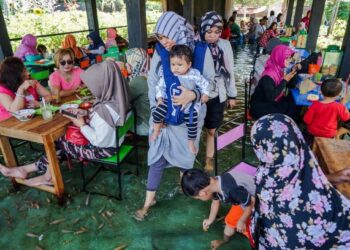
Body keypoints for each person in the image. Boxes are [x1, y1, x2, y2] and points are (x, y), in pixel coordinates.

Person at [134, 11, 215, 221]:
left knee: (185, 159)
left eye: (166, 36)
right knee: (156, 158)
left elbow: (211, 85)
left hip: (187, 118)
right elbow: (153, 84)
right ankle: (148, 200)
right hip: (163, 119)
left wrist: (193, 95)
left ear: (178, 31)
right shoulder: (160, 52)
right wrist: (157, 112)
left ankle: (183, 185)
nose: (164, 41)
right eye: (160, 37)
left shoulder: (200, 51)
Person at [0, 60, 130, 186]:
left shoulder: (105, 111)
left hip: (103, 150)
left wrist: (82, 125)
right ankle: (33, 172)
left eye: (93, 85)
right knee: (61, 142)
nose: (91, 88)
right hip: (115, 142)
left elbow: (99, 141)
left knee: (57, 142)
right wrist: (87, 113)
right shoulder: (117, 100)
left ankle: (43, 175)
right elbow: (105, 123)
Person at [251, 113, 350, 249]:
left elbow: (293, 186)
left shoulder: (265, 174)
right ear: (296, 138)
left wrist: (331, 178)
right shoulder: (322, 206)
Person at [150, 45, 210, 154]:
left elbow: (205, 83)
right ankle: (156, 129)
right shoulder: (169, 75)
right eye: (173, 64)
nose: (175, 68)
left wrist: (205, 94)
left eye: (180, 65)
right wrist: (159, 98)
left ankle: (191, 141)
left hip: (188, 106)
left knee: (192, 121)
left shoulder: (194, 74)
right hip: (170, 102)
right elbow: (160, 86)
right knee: (158, 111)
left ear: (189, 64)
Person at [199, 11, 237, 172]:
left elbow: (229, 70)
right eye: (209, 32)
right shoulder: (194, 44)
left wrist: (232, 94)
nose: (213, 36)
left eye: (217, 32)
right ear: (202, 30)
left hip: (218, 93)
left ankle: (209, 158)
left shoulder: (225, 45)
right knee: (193, 129)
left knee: (212, 129)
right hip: (198, 95)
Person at [181, 168, 255, 249]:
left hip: (256, 201)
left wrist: (242, 220)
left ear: (202, 194)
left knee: (250, 234)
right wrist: (210, 220)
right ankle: (225, 239)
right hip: (242, 198)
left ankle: (251, 241)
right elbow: (215, 202)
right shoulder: (214, 183)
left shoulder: (231, 190)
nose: (200, 199)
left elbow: (251, 201)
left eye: (198, 198)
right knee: (230, 224)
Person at [250, 45, 299, 120]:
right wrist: (284, 80)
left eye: (290, 58)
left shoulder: (279, 70)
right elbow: (271, 97)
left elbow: (291, 85)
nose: (290, 61)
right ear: (279, 57)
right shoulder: (269, 76)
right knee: (290, 108)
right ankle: (281, 128)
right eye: (287, 58)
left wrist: (294, 71)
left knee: (292, 102)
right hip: (261, 106)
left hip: (269, 101)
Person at [0, 57, 51, 121]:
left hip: (31, 120)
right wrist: (21, 89)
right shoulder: (2, 91)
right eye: (24, 71)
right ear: (14, 75)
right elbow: (14, 111)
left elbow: (48, 95)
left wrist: (39, 104)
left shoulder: (30, 81)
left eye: (26, 70)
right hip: (9, 124)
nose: (28, 73)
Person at [125, 48, 151, 136]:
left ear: (134, 64)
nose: (126, 65)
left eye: (128, 63)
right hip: (157, 120)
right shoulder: (150, 74)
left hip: (147, 125)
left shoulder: (139, 80)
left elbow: (123, 98)